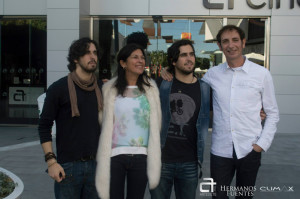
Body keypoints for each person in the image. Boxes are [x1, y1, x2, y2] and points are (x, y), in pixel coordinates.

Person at [202, 25, 279, 198]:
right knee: (218, 195)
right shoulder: (212, 75)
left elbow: (272, 113)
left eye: (235, 40)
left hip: (249, 149)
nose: (231, 45)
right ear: (220, 47)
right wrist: (169, 71)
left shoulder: (261, 74)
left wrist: (261, 145)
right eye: (225, 41)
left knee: (244, 196)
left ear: (243, 43)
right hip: (220, 150)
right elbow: (193, 91)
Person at [95, 43, 162, 199]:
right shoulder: (109, 89)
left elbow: (156, 121)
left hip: (141, 157)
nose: (140, 61)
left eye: (142, 57)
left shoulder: (151, 89)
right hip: (114, 157)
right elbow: (102, 120)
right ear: (123, 63)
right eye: (135, 57)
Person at [38, 37, 103, 199]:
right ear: (75, 58)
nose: (92, 56)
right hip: (68, 167)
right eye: (87, 53)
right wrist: (51, 162)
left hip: (97, 166)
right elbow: (44, 126)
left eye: (94, 53)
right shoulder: (58, 89)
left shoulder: (102, 88)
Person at [150, 39, 210, 199]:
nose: (189, 58)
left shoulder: (205, 89)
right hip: (161, 162)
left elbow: (226, 110)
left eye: (191, 54)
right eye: (183, 55)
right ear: (173, 61)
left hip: (190, 162)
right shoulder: (160, 84)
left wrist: (257, 112)